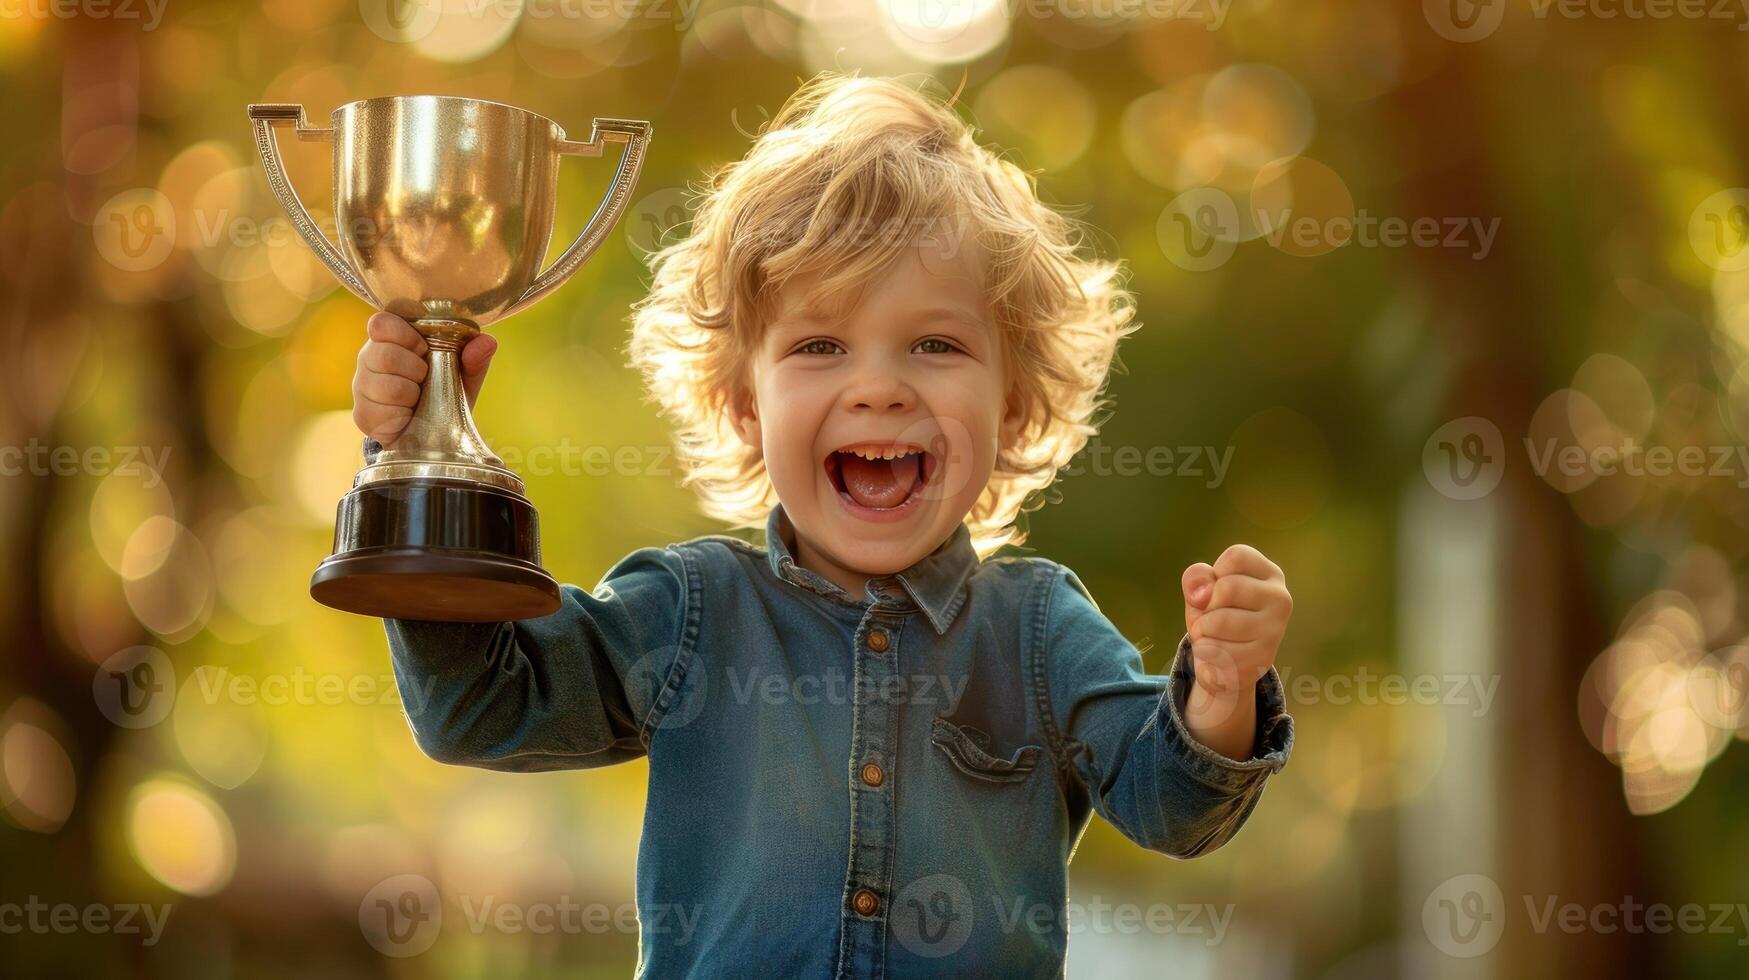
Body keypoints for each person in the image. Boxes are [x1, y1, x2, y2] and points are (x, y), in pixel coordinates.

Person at [349, 71, 1295, 976]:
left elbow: (1173, 808)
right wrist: (414, 465)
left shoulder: (1040, 632)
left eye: (935, 344)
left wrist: (1221, 689)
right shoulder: (689, 610)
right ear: (744, 406)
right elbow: (478, 709)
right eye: (818, 345)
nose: (878, 388)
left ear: (1011, 404)